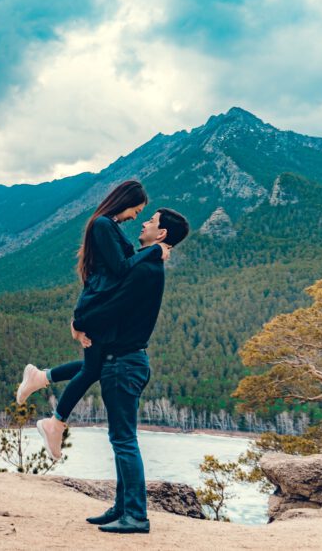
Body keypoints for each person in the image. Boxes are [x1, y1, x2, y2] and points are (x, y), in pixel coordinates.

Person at [15, 180, 170, 458]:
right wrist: (154, 251)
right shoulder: (102, 225)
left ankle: (43, 383)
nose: (136, 217)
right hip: (96, 306)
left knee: (95, 366)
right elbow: (122, 269)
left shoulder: (109, 226)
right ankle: (55, 420)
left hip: (99, 305)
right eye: (136, 210)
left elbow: (120, 271)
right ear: (125, 201)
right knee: (92, 369)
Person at [82, 208, 190, 534]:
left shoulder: (146, 271)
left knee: (124, 440)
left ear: (161, 235)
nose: (143, 223)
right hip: (127, 361)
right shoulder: (149, 264)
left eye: (151, 221)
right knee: (121, 439)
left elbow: (115, 305)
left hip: (124, 363)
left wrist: (81, 322)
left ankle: (136, 516)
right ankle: (122, 508)